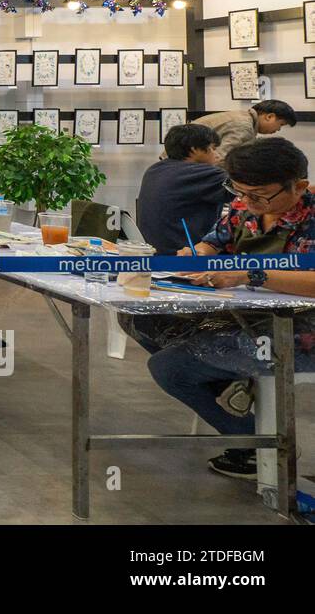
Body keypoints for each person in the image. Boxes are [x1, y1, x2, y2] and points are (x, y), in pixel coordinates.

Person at [126, 137, 315, 480]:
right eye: (239, 191)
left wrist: (249, 274)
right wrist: (192, 255)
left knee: (171, 368)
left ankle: (257, 444)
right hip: (249, 315)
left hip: (303, 329)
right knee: (142, 321)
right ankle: (232, 390)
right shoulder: (245, 207)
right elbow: (215, 241)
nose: (246, 201)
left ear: (299, 186)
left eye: (259, 195)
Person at [135, 123, 233, 256]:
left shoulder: (154, 169)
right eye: (212, 149)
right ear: (194, 150)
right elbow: (247, 188)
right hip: (184, 255)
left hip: (154, 254)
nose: (217, 155)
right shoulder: (204, 173)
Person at [193, 100, 297, 160]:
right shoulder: (244, 127)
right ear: (269, 117)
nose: (278, 129)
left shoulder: (243, 117)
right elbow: (221, 159)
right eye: (281, 124)